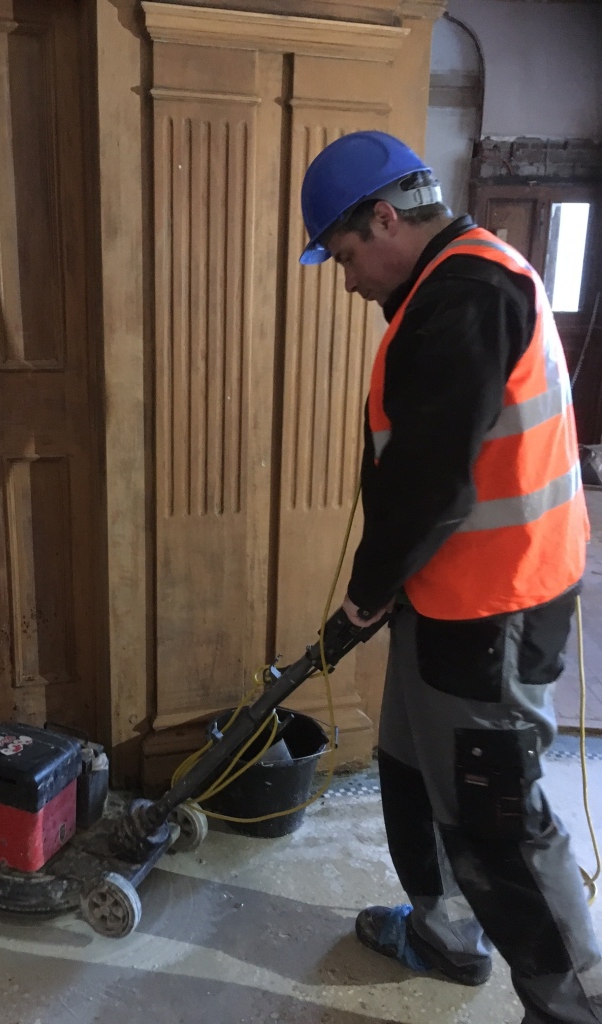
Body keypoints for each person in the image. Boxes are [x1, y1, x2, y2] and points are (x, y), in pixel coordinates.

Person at [299, 130, 600, 1024]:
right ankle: (446, 933)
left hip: (493, 610)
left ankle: (574, 1005)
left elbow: (430, 481)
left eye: (348, 255)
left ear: (387, 218)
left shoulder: (468, 296)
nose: (349, 281)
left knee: (494, 819)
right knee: (407, 766)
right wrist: (386, 593)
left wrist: (365, 592)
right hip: (449, 595)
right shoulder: (451, 283)